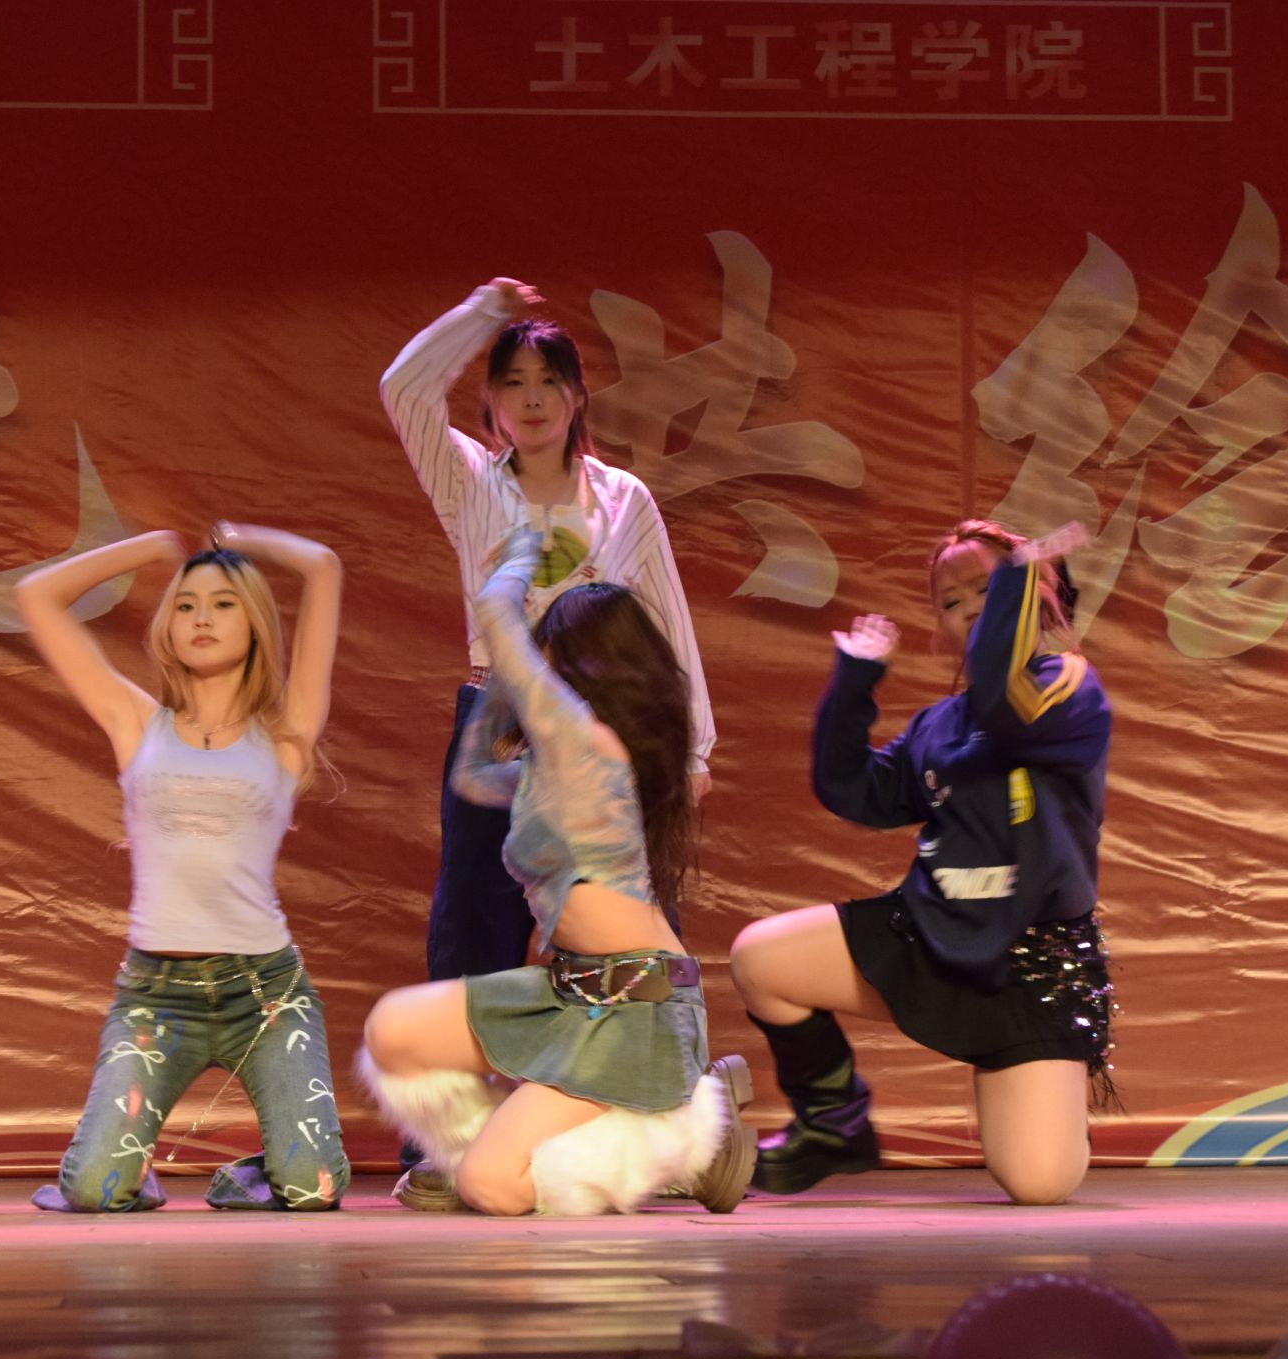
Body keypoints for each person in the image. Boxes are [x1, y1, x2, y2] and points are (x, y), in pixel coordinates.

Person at [357, 528, 754, 1216]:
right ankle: (486, 1148)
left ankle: (689, 1142)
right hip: (572, 993)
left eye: (546, 650)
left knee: (492, 1185)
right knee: (394, 1030)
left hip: (636, 1012)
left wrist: (520, 553)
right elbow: (472, 775)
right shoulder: (554, 762)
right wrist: (502, 682)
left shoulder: (587, 744)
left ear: (581, 662)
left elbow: (494, 610)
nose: (534, 663)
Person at [728, 519, 1115, 1205]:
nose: (970, 607)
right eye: (951, 599)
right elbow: (855, 790)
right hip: (930, 934)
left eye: (986, 588)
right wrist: (855, 679)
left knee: (1039, 1181)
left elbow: (1006, 707)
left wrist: (1016, 584)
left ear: (1035, 592)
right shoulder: (938, 724)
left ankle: (1047, 1101)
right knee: (762, 959)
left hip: (1028, 967)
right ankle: (834, 1121)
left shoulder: (1070, 687)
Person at [379, 277, 716, 993]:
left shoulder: (622, 498)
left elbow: (665, 624)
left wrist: (694, 750)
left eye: (549, 381)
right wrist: (482, 313)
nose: (532, 398)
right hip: (502, 718)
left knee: (623, 910)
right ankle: (471, 1063)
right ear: (492, 401)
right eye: (513, 382)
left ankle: (648, 1052)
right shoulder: (471, 482)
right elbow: (402, 390)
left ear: (578, 395)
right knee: (477, 920)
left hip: (603, 720)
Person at [15, 521, 350, 1212]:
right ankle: (129, 1164)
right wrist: (146, 549)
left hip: (265, 993)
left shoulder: (285, 732)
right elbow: (36, 596)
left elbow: (322, 565)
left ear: (255, 624)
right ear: (167, 626)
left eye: (224, 604)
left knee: (312, 1189)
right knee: (92, 1190)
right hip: (156, 995)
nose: (202, 618)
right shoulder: (137, 722)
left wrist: (242, 538)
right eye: (187, 604)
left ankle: (258, 1171)